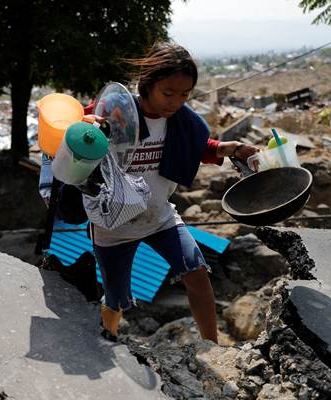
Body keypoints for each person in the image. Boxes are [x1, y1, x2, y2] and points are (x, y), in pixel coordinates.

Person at [90, 42, 258, 343]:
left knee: (197, 273)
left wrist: (229, 148)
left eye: (185, 95)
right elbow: (78, 129)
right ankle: (109, 339)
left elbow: (195, 148)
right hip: (113, 226)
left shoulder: (182, 123)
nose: (176, 102)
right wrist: (86, 126)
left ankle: (212, 346)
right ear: (148, 84)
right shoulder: (116, 112)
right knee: (115, 298)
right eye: (168, 93)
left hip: (158, 217)